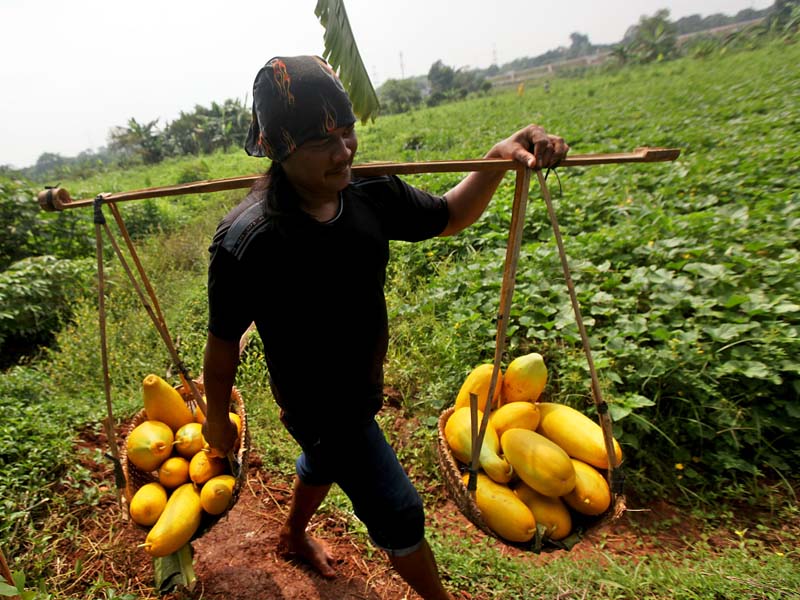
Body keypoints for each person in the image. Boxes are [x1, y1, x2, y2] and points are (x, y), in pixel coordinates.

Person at [202, 55, 568, 600]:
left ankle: (292, 535)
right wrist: (214, 422)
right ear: (280, 150)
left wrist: (495, 158)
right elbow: (223, 346)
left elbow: (449, 216)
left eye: (347, 132)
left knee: (323, 461)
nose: (344, 151)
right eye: (322, 142)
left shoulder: (370, 193)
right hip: (315, 402)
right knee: (397, 507)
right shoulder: (247, 242)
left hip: (363, 381)